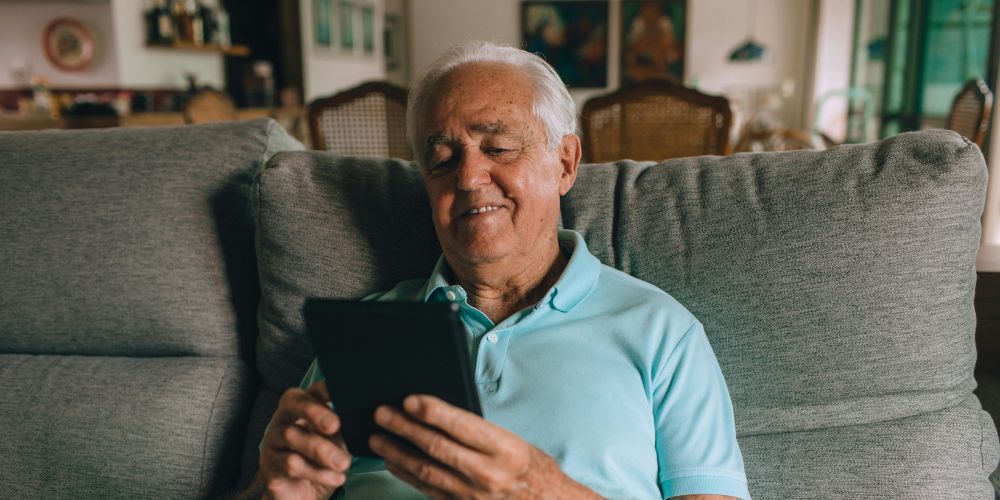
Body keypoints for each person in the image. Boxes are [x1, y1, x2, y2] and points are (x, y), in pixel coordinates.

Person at [238, 41, 749, 500]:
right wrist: (273, 489)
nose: (468, 176)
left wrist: (540, 492)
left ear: (565, 164)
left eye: (499, 148)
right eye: (441, 158)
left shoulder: (660, 330)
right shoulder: (364, 331)